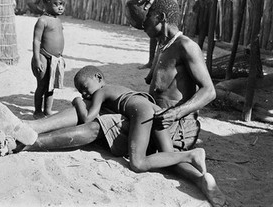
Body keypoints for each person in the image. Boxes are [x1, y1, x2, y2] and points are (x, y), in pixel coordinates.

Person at [0, 0, 227, 207]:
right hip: (154, 117)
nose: (142, 25)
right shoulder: (164, 46)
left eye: (147, 20)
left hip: (176, 125)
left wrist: (176, 113)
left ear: (161, 17)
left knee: (98, 125)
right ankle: (29, 127)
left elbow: (209, 91)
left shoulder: (187, 46)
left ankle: (27, 141)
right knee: (94, 107)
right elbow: (137, 11)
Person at [72, 65, 207, 174]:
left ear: (98, 77)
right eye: (80, 92)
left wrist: (78, 101)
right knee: (169, 156)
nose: (84, 94)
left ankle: (191, 155)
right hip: (157, 110)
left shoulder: (101, 91)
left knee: (137, 163)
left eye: (84, 88)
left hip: (142, 112)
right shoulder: (117, 89)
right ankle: (200, 175)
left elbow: (87, 118)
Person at [31, 0, 67, 119]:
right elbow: (36, 41)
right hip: (43, 57)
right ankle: (37, 111)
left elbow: (58, 39)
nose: (60, 7)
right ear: (45, 2)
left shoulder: (57, 20)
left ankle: (47, 110)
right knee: (42, 86)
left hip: (55, 59)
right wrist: (36, 59)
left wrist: (61, 58)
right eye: (57, 4)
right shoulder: (42, 20)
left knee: (51, 87)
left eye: (63, 4)